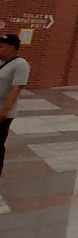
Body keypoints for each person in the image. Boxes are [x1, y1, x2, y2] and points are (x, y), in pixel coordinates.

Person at [0, 34, 30, 177]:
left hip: (3, 111)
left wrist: (4, 111)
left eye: (1, 46)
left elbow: (16, 89)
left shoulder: (21, 64)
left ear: (11, 47)